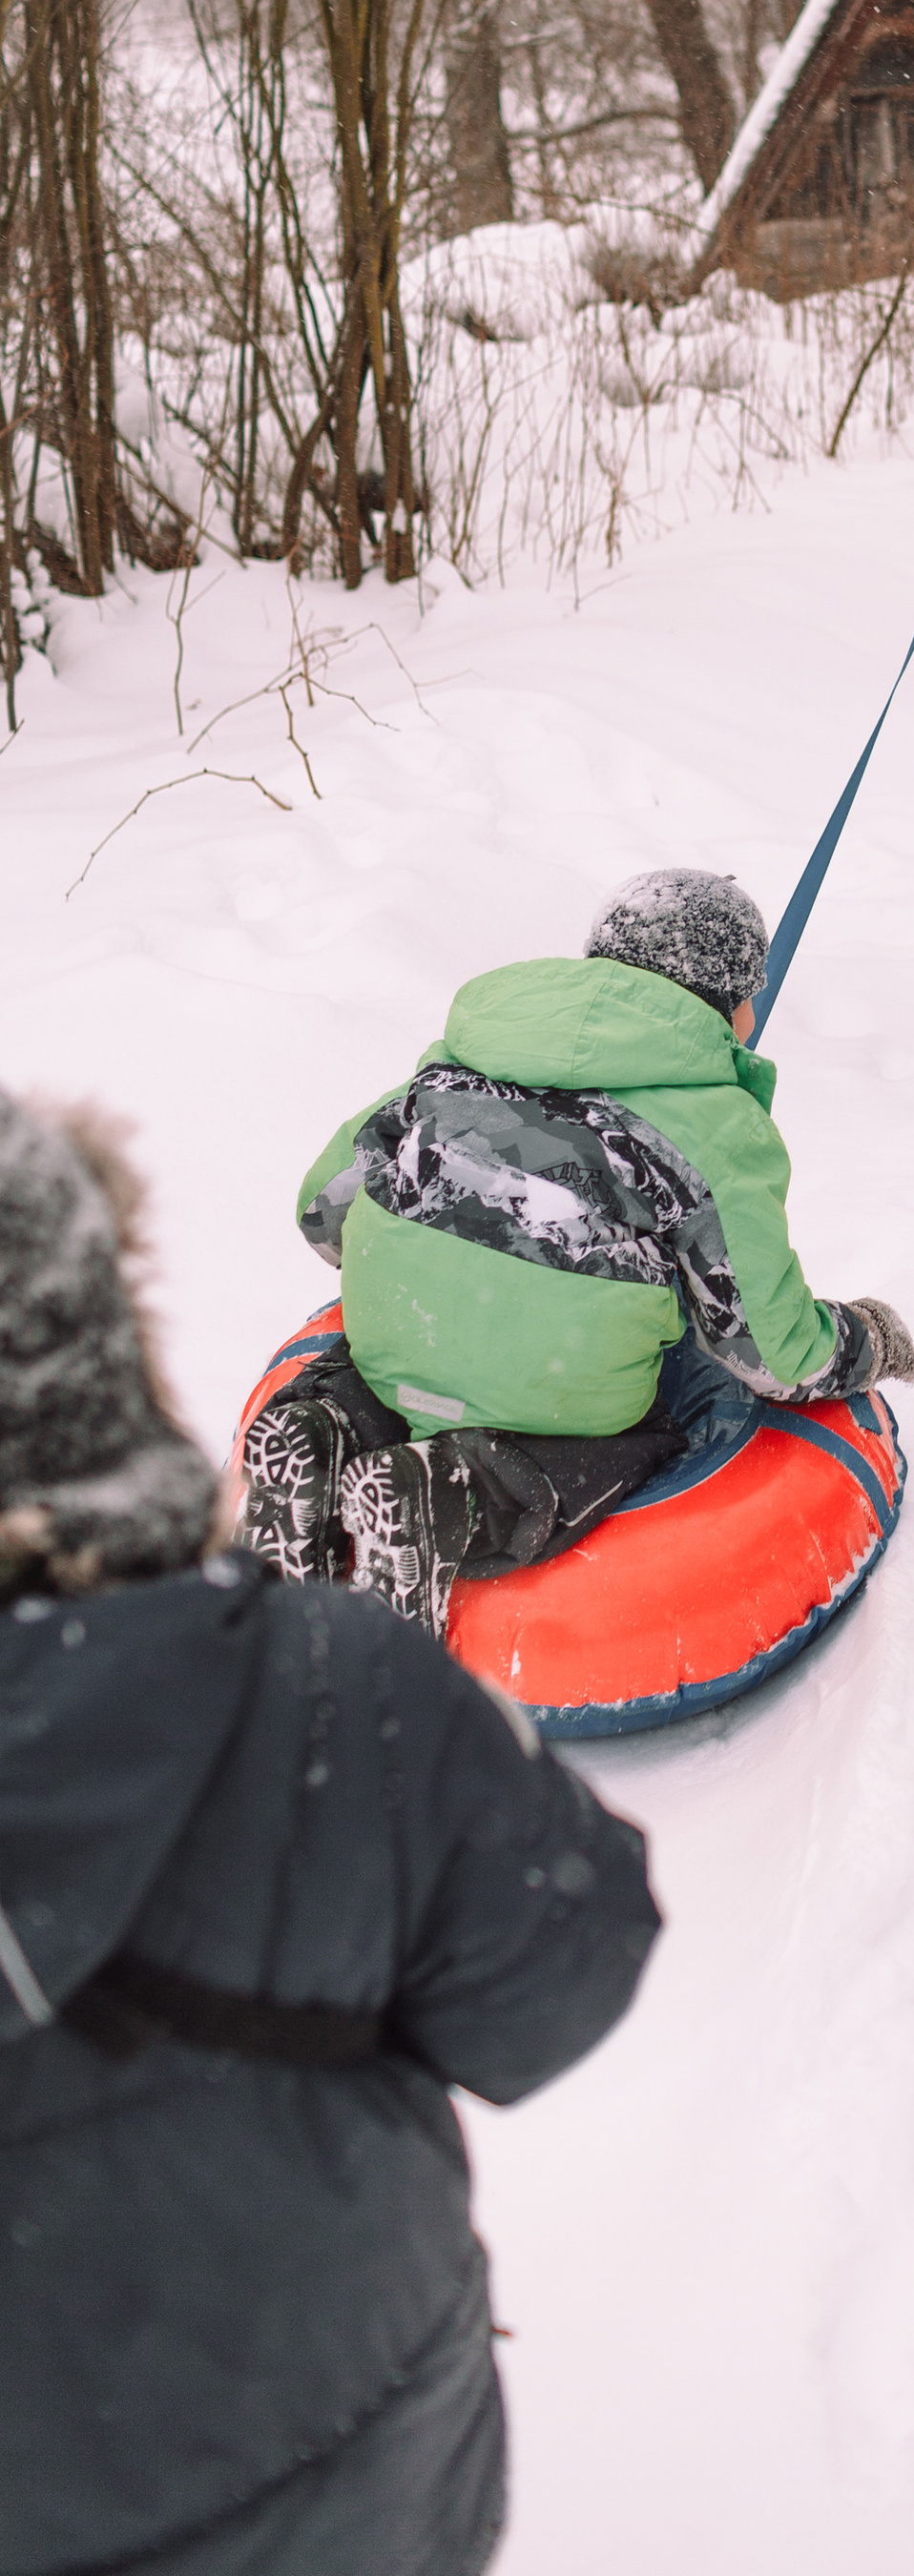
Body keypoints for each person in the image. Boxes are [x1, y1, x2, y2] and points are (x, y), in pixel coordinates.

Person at [0, 1087, 659, 2576]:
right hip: (364, 2455)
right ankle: (464, 1487)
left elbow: (329, 1205)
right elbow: (563, 1978)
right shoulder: (335, 1689)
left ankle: (337, 1431)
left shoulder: (432, 1090)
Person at [239, 865, 914, 1637]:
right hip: (555, 1386)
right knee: (637, 1430)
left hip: (398, 1332)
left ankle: (329, 1428)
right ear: (735, 1006)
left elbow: (321, 1210)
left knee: (404, 1373)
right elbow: (768, 1352)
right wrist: (869, 1338)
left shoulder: (464, 1054)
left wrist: (445, 1261)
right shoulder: (716, 1121)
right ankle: (450, 1497)